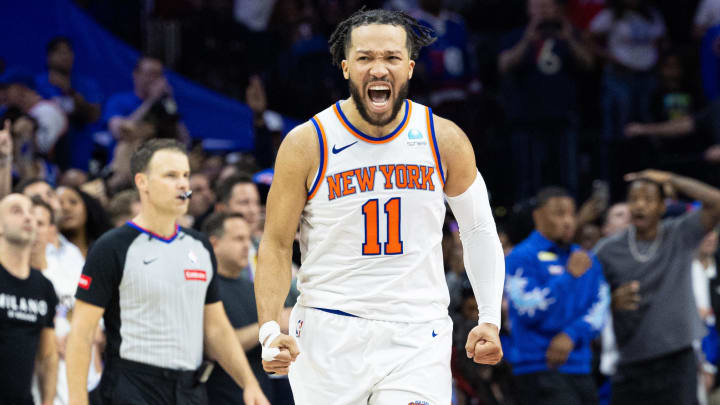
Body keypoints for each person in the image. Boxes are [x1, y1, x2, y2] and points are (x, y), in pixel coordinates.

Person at [254, 9, 505, 405]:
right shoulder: (308, 142)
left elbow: (478, 230)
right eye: (365, 57)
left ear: (409, 67)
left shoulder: (444, 139)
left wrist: (489, 318)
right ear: (345, 67)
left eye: (390, 57)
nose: (378, 68)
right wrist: (270, 328)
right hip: (328, 331)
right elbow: (277, 243)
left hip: (418, 334)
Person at [65, 139, 268, 405]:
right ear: (142, 183)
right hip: (132, 385)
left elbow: (217, 329)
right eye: (171, 175)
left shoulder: (200, 246)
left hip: (190, 388)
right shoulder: (112, 247)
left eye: (185, 175)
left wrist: (249, 384)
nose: (183, 184)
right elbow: (81, 334)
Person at [594, 169, 720, 404]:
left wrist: (671, 179)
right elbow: (585, 297)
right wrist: (610, 302)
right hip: (630, 361)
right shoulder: (608, 250)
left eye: (648, 199)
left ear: (663, 206)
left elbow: (716, 202)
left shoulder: (680, 233)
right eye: (634, 199)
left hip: (678, 360)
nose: (640, 205)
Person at [505, 187, 608, 405]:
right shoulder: (521, 257)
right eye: (559, 213)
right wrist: (568, 277)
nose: (569, 221)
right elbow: (526, 309)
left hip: (581, 366)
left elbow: (600, 306)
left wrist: (572, 334)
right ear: (538, 216)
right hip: (537, 367)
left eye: (571, 214)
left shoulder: (585, 258)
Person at [498, 0, 594, 200]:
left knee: (567, 176)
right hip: (527, 118)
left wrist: (568, 39)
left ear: (558, 9)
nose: (542, 11)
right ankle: (527, 221)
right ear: (528, 8)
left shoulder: (570, 35)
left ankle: (568, 217)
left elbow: (588, 64)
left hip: (564, 117)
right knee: (528, 179)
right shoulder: (516, 36)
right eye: (537, 6)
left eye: (547, 6)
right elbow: (504, 66)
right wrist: (527, 40)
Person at [203, 212, 293, 405]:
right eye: (238, 239)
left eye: (249, 239)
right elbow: (214, 345)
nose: (247, 246)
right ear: (214, 243)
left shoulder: (252, 288)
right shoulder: (206, 289)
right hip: (222, 395)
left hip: (264, 393)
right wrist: (270, 325)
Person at [0, 193, 59, 405]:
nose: (28, 217)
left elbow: (48, 357)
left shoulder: (44, 287)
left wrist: (48, 402)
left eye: (31, 213)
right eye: (17, 211)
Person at [102, 56, 187, 191]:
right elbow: (119, 132)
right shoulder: (118, 101)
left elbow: (184, 141)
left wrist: (169, 103)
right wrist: (151, 101)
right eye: (149, 74)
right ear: (136, 75)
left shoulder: (165, 105)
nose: (153, 79)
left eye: (157, 75)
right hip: (124, 172)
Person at [34, 36, 103, 171]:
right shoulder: (37, 84)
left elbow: (94, 116)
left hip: (79, 151)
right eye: (59, 52)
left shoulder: (86, 85)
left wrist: (69, 91)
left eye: (68, 52)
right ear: (49, 57)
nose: (65, 57)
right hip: (47, 152)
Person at [56, 186, 112, 258]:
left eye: (73, 202)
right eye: (59, 204)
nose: (66, 208)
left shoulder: (106, 248)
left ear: (87, 207)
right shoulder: (50, 256)